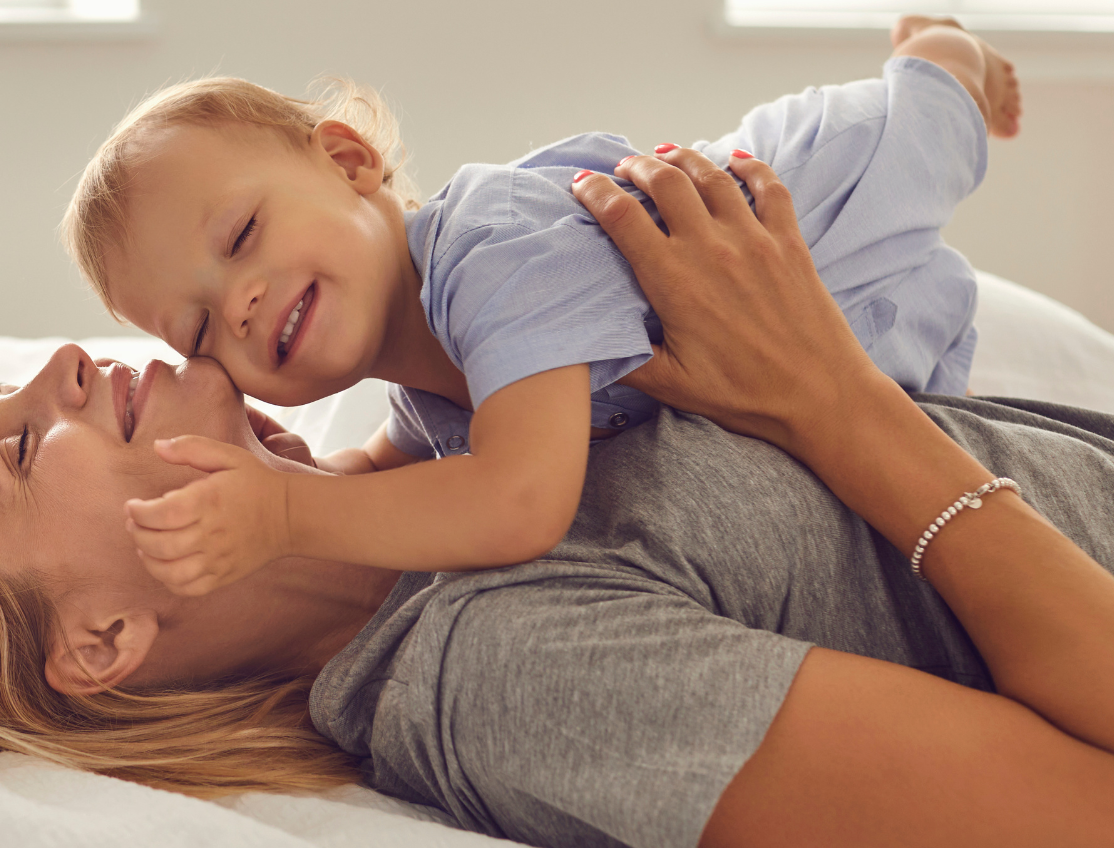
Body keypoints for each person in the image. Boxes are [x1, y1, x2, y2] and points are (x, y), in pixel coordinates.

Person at [0, 147, 1114, 846]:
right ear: (103, 640)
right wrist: (832, 404)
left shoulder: (426, 454)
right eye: (20, 446)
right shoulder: (506, 674)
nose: (69, 359)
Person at [58, 15, 1024, 597]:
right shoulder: (430, 400)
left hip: (819, 195)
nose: (240, 304)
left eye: (239, 239)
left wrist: (280, 515)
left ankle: (942, 47)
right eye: (194, 329)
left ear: (349, 164)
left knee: (932, 125)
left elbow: (517, 501)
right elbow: (376, 480)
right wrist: (255, 483)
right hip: (870, 332)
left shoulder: (491, 248)